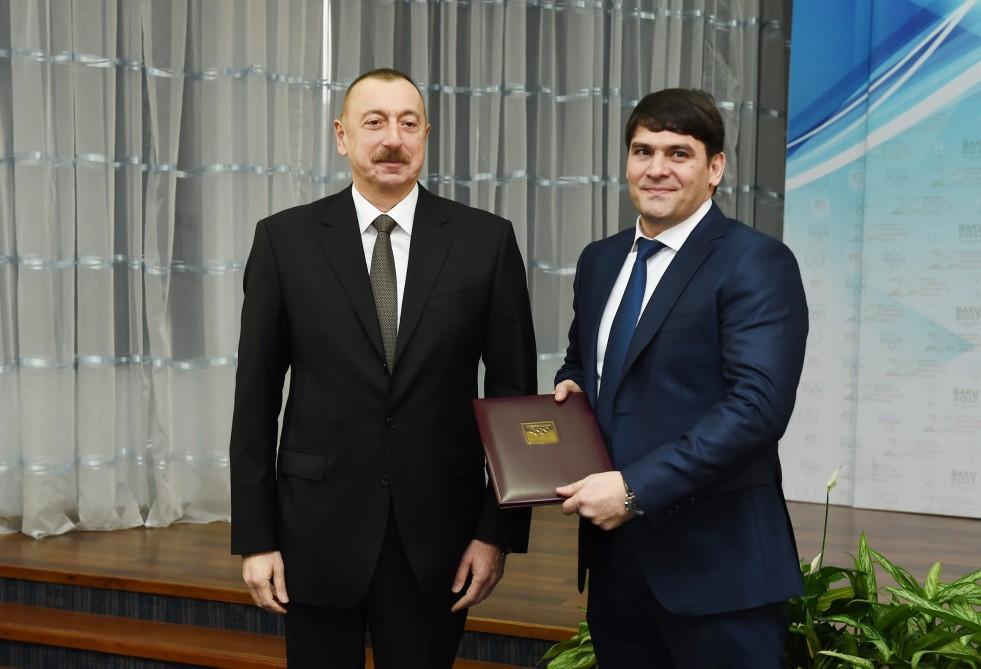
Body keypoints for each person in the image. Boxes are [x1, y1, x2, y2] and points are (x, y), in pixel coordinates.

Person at [229, 68, 537, 669]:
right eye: (374, 122)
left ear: (426, 135)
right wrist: (256, 539)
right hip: (315, 530)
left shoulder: (486, 241)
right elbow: (255, 401)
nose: (392, 139)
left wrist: (496, 533)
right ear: (342, 136)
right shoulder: (284, 241)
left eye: (408, 123)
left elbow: (513, 397)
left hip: (441, 535)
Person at [553, 88, 808, 668]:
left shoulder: (754, 261)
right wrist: (572, 388)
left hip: (718, 573)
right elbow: (583, 361)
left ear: (715, 168)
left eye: (678, 153)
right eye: (643, 151)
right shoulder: (600, 261)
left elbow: (757, 408)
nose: (657, 169)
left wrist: (634, 490)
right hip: (617, 569)